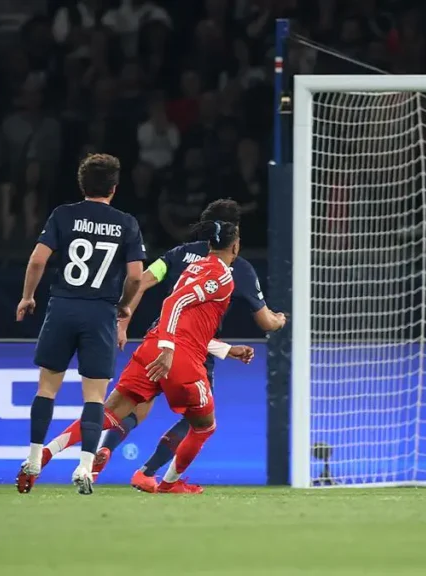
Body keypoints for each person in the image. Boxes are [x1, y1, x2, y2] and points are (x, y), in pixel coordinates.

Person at [36, 221, 252, 494]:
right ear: (235, 245)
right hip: (177, 356)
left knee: (110, 413)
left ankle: (47, 452)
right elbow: (173, 304)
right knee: (204, 426)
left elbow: (178, 313)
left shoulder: (188, 266)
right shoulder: (223, 276)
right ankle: (167, 482)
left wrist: (224, 349)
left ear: (209, 244)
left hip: (153, 344)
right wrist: (168, 348)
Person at [98, 199, 284, 492]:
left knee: (137, 405)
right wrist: (280, 320)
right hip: (196, 349)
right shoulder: (238, 267)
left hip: (160, 338)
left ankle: (105, 448)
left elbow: (143, 281)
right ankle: (149, 472)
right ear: (234, 233)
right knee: (197, 418)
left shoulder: (178, 254)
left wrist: (123, 321)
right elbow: (265, 322)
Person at [15, 153, 146, 495]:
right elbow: (135, 276)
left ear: (82, 184)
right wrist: (125, 306)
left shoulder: (63, 215)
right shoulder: (126, 223)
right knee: (94, 397)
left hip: (62, 307)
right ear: (114, 189)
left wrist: (28, 297)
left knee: (46, 388)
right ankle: (85, 469)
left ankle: (32, 459)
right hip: (100, 313)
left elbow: (37, 260)